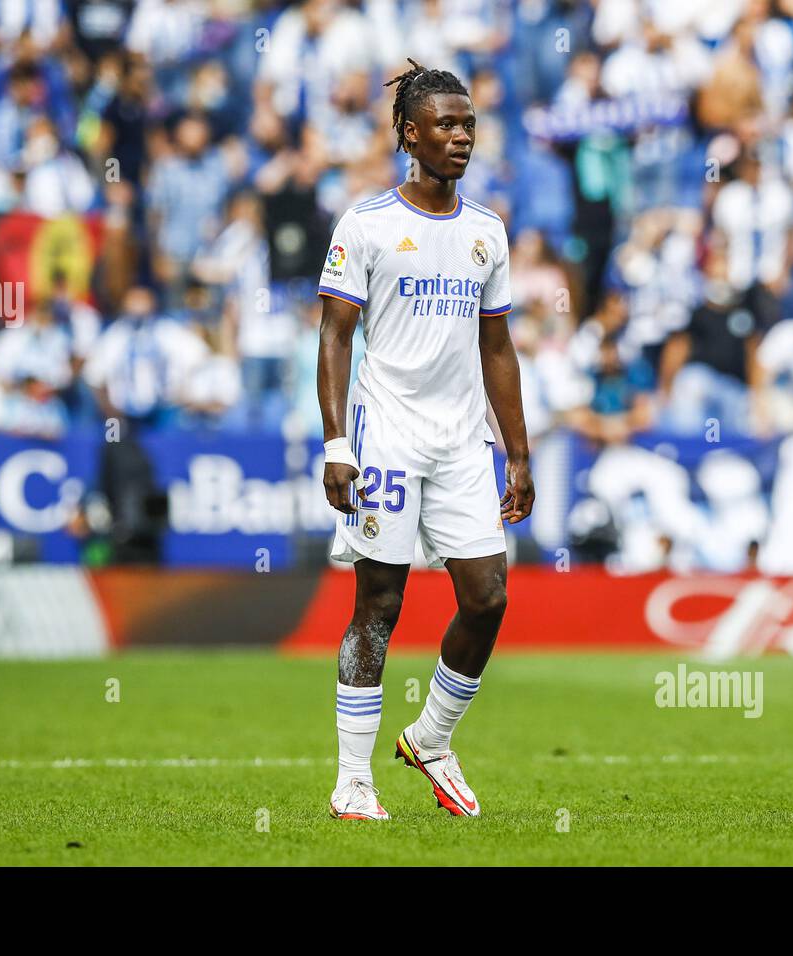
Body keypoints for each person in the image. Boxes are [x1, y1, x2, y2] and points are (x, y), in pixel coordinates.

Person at [316, 59, 534, 822]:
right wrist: (335, 443)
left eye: (468, 123)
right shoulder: (368, 223)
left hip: (462, 444)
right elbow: (336, 336)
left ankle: (431, 739)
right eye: (445, 124)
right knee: (380, 602)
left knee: (488, 597)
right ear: (409, 134)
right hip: (388, 437)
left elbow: (498, 348)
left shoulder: (486, 232)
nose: (461, 137)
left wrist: (518, 450)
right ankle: (352, 779)